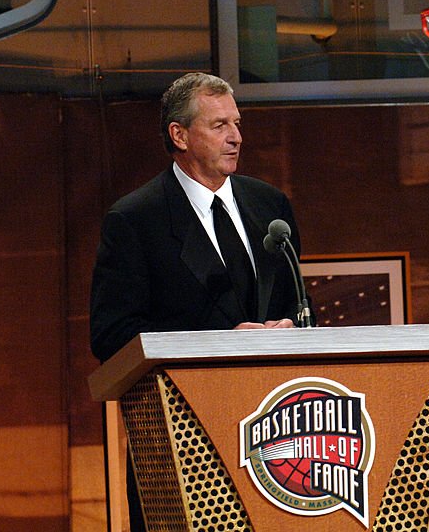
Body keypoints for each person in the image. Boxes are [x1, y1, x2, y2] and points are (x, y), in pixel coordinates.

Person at [89, 72, 302, 530]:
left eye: (238, 123)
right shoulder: (135, 220)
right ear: (179, 135)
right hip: (183, 445)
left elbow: (300, 307)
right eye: (220, 125)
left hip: (280, 441)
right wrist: (219, 343)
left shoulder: (271, 207)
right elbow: (111, 336)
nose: (236, 137)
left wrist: (291, 329)